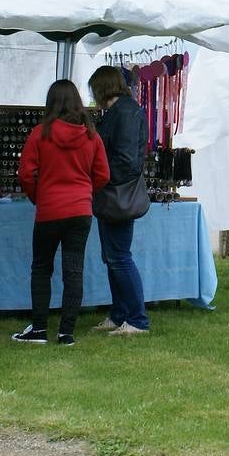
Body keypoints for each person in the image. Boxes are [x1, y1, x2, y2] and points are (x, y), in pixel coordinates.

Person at [13, 80, 110, 346]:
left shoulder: (40, 133)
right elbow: (103, 175)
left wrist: (38, 196)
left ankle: (39, 330)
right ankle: (66, 332)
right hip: (80, 210)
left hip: (49, 210)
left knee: (42, 268)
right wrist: (85, 192)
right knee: (74, 271)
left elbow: (25, 173)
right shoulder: (92, 135)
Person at [88, 65, 150, 336]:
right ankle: (119, 314)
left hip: (116, 194)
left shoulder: (124, 113)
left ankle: (137, 319)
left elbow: (126, 161)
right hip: (111, 194)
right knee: (113, 257)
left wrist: (100, 178)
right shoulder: (121, 111)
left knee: (120, 258)